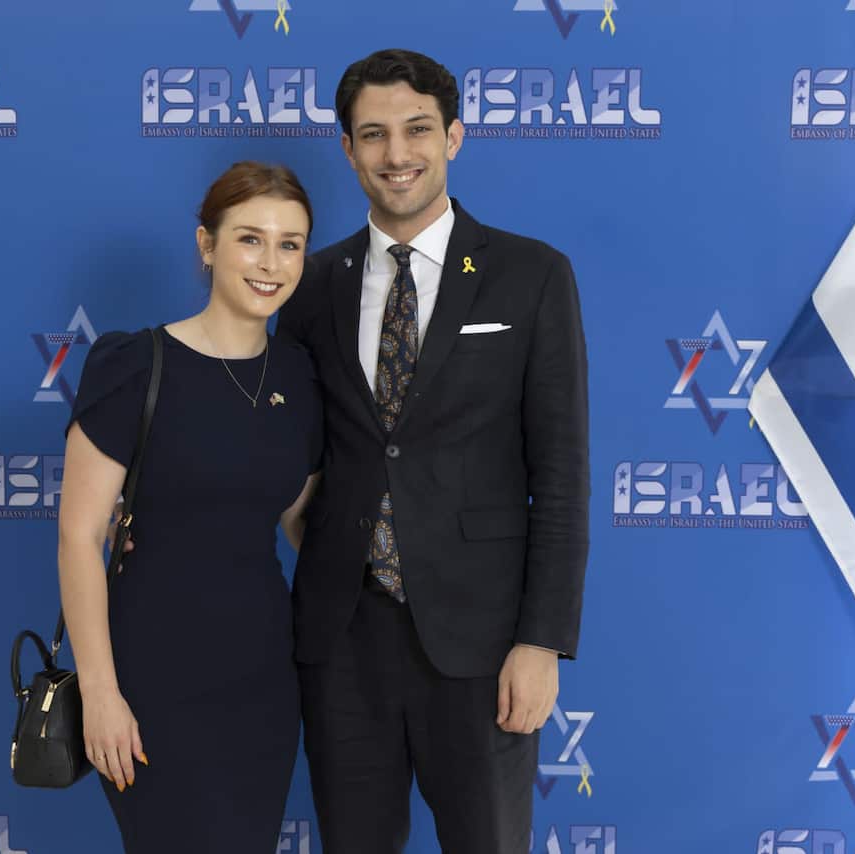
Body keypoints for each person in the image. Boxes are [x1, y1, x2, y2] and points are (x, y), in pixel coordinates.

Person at [276, 49, 590, 853]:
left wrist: (540, 640)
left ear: (455, 135)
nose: (397, 154)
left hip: (483, 645)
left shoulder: (532, 275)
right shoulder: (311, 285)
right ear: (346, 149)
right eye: (373, 135)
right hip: (341, 640)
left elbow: (561, 475)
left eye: (417, 129)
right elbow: (289, 450)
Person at [55, 161, 323, 853]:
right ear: (207, 245)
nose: (271, 262)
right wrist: (102, 694)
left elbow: (302, 522)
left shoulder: (300, 374)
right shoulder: (135, 366)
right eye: (250, 239)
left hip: (263, 681)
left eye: (290, 243)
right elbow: (81, 537)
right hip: (151, 681)